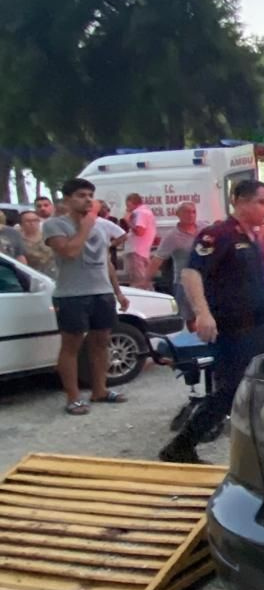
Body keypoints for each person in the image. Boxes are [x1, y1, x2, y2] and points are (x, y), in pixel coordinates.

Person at [158, 179, 264, 463]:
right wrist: (202, 313)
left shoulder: (251, 236)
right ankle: (181, 446)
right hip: (235, 332)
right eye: (262, 202)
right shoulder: (218, 234)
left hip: (262, 326)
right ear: (239, 201)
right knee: (231, 390)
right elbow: (191, 273)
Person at [42, 177, 130, 415]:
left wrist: (118, 291)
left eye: (90, 195)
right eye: (81, 195)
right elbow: (70, 251)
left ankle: (100, 390)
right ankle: (73, 397)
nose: (88, 200)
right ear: (68, 200)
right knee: (71, 345)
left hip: (101, 292)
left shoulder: (101, 225)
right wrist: (85, 226)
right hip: (71, 295)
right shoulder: (55, 225)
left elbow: (105, 262)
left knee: (101, 342)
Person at [152, 204, 200, 323]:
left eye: (193, 212)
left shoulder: (204, 229)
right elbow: (158, 259)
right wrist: (145, 280)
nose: (191, 215)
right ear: (178, 214)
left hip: (205, 282)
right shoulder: (172, 236)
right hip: (183, 284)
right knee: (187, 320)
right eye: (187, 212)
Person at [122, 193, 157, 288]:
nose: (127, 208)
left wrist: (127, 220)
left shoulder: (139, 213)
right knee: (144, 280)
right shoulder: (146, 212)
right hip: (143, 251)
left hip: (136, 251)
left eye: (128, 205)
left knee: (137, 282)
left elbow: (140, 231)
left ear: (131, 203)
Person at [15, 209, 57, 277]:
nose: (32, 223)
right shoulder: (18, 241)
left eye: (35, 220)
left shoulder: (49, 236)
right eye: (28, 221)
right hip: (34, 276)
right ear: (21, 224)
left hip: (54, 274)